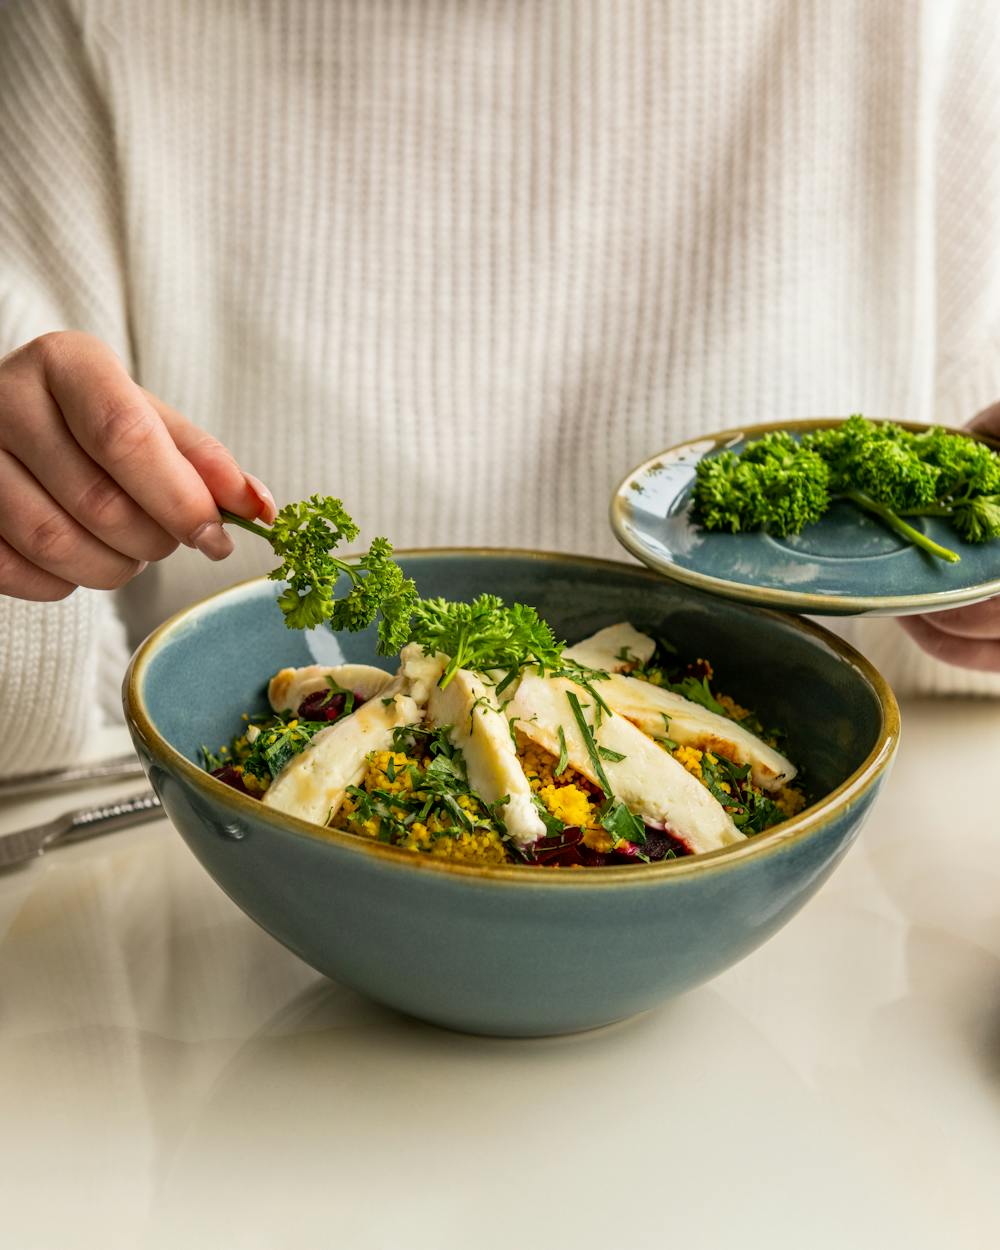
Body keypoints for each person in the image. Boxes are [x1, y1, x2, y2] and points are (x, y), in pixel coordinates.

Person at [1, 0, 998, 776]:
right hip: (221, 924)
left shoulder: (935, 28)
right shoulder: (83, 31)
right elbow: (33, 744)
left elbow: (936, 651)